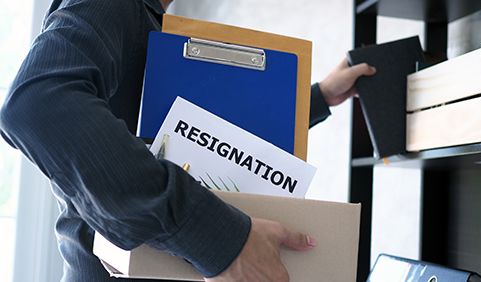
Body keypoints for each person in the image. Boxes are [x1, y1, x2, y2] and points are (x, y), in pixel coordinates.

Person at [0, 0, 376, 281]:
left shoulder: (150, 18)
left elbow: (201, 139)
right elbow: (37, 104)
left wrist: (320, 96)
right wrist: (221, 239)